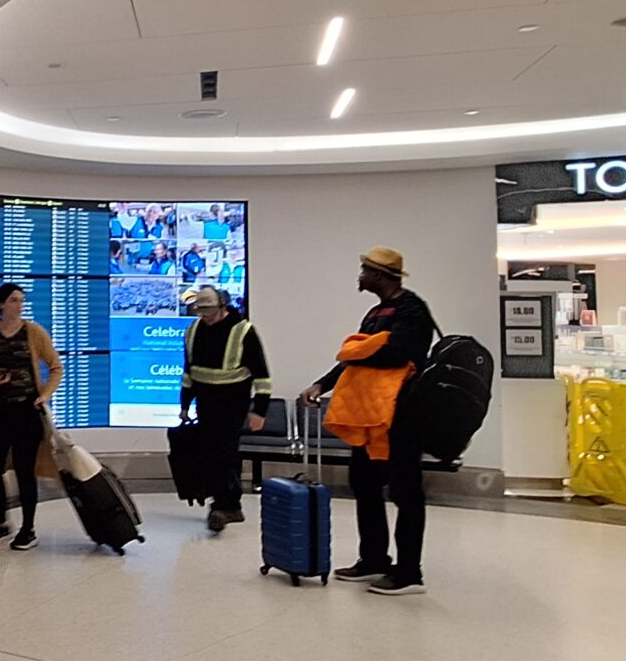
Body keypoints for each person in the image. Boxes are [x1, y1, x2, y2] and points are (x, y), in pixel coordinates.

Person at [299, 246, 436, 596]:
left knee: (406, 492)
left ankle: (409, 573)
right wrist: (322, 383)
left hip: (403, 415)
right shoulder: (376, 312)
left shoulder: (412, 309)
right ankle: (374, 559)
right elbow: (355, 358)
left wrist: (358, 347)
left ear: (380, 275)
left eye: (365, 270)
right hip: (370, 416)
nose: (360, 275)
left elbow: (397, 352)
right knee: (364, 484)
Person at [0, 282, 62, 551]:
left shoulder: (33, 332)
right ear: (1, 304)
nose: (19, 305)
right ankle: (1, 523)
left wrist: (44, 394)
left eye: (21, 300)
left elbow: (55, 367)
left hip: (26, 412)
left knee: (24, 470)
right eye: (13, 300)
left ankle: (28, 528)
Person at [179, 286, 271, 532]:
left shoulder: (243, 331)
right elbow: (189, 371)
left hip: (233, 403)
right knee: (210, 452)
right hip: (205, 403)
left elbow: (262, 375)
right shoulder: (193, 330)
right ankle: (220, 503)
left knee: (225, 453)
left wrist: (259, 411)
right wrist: (184, 405)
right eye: (202, 311)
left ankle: (228, 506)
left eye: (210, 311)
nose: (206, 317)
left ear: (223, 306)